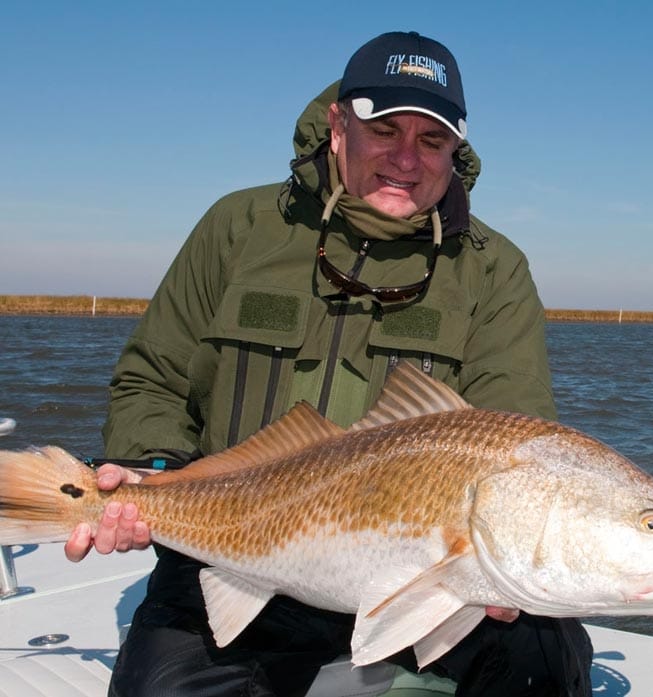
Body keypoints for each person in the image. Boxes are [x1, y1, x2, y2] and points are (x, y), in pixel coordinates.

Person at [66, 31, 593, 697]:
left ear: (455, 149)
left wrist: (517, 569)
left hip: (413, 575)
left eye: (431, 140)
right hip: (234, 541)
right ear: (339, 125)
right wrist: (154, 470)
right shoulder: (238, 227)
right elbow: (154, 377)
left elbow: (518, 439)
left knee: (546, 653)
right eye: (384, 129)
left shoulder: (494, 268)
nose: (407, 158)